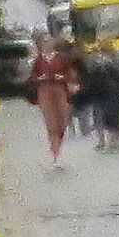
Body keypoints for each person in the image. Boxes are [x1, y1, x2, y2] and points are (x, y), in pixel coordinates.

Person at [31, 35, 80, 168]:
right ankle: (56, 154)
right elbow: (33, 77)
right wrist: (39, 78)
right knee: (51, 123)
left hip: (60, 90)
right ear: (41, 45)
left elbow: (70, 73)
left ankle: (58, 143)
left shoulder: (61, 58)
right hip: (45, 91)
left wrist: (63, 77)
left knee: (62, 122)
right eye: (44, 42)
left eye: (49, 41)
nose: (47, 44)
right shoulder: (38, 60)